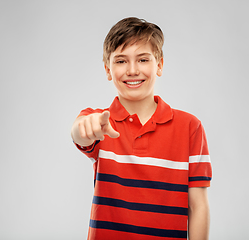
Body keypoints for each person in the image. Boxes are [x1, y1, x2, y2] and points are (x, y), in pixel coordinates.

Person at [71, 17, 212, 240]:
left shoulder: (190, 127)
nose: (133, 70)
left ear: (160, 65)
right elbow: (80, 132)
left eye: (143, 59)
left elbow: (198, 206)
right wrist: (84, 128)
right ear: (108, 70)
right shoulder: (99, 121)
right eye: (121, 61)